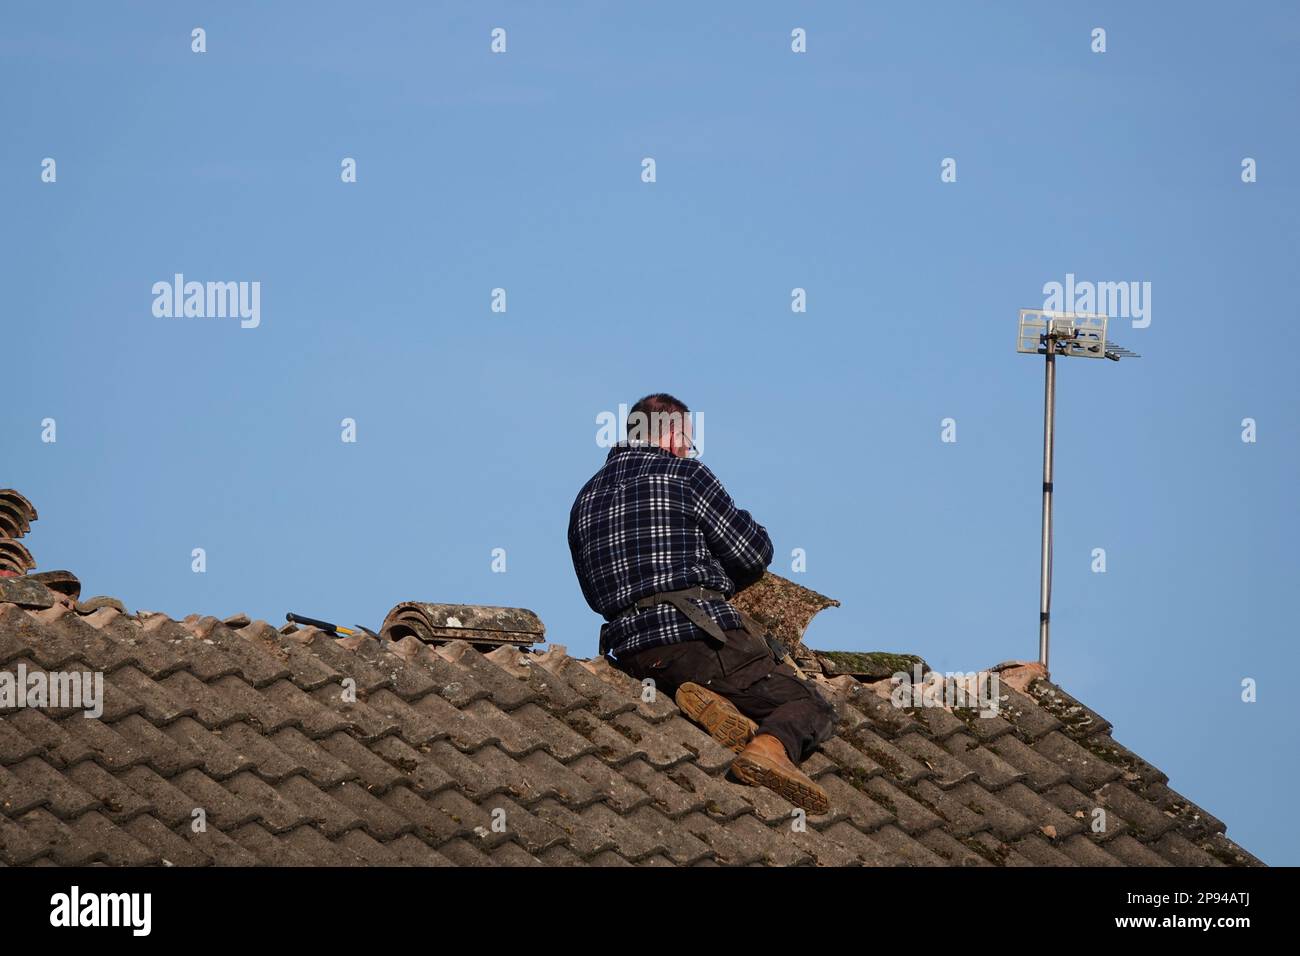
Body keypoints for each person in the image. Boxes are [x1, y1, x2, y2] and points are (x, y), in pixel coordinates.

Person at [568, 393, 835, 812]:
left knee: (719, 682)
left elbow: (592, 594)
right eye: (688, 441)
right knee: (809, 702)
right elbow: (753, 551)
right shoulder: (685, 475)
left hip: (633, 653)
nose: (688, 449)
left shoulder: (583, 501)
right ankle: (767, 748)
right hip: (696, 640)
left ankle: (718, 707)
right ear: (673, 433)